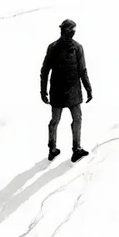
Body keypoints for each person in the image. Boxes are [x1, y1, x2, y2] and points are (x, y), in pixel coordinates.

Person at [41, 19, 93, 163]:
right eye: (67, 30)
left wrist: (88, 88)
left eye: (70, 31)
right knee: (60, 120)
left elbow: (82, 70)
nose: (68, 33)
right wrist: (43, 90)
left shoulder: (76, 48)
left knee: (73, 119)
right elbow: (45, 70)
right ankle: (56, 149)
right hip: (61, 91)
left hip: (71, 91)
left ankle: (72, 149)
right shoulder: (55, 47)